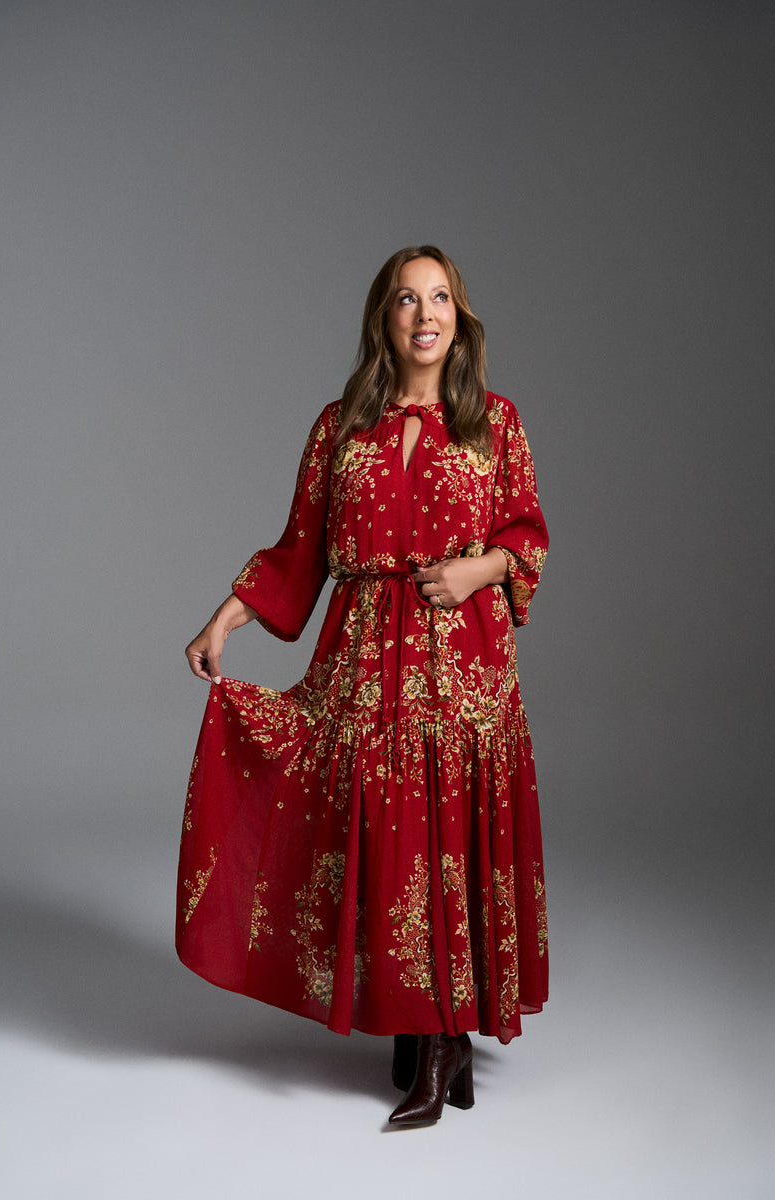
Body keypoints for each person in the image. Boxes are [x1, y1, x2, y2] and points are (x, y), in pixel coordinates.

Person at [180, 245, 549, 1128]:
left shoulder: (495, 423)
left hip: (462, 670)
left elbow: (528, 535)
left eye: (440, 299)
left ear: (459, 318)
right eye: (406, 300)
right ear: (383, 319)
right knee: (387, 839)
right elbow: (299, 548)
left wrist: (476, 570)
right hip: (363, 662)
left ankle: (441, 1039)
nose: (425, 315)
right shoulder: (340, 426)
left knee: (444, 839)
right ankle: (422, 1027)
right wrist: (225, 617)